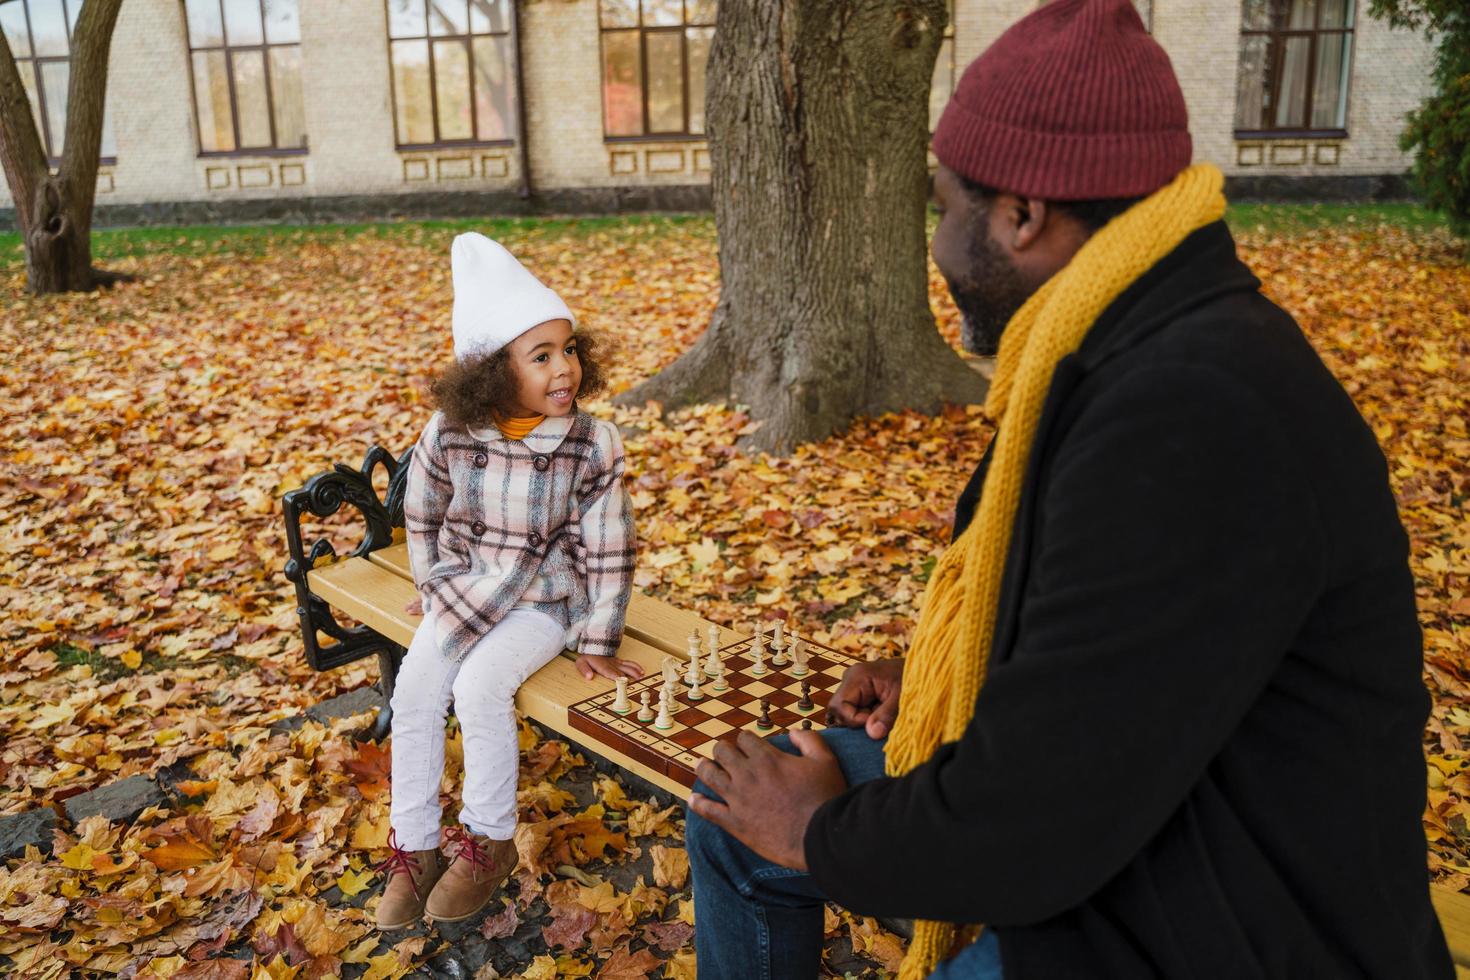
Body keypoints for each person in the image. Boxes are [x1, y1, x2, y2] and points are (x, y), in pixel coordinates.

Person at [684, 0, 1453, 977]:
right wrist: (939, 675)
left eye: (946, 207)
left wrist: (819, 830)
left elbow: (1031, 823)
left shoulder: (1195, 411)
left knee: (774, 824)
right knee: (724, 819)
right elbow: (1105, 662)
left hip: (1221, 916)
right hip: (1130, 820)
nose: (938, 243)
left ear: (1023, 216)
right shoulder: (1134, 341)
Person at [374, 233, 641, 930]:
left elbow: (610, 544)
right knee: (417, 687)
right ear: (493, 371)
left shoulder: (591, 442)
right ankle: (415, 845)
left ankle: (487, 839)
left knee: (479, 685)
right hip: (468, 584)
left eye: (570, 349)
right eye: (542, 356)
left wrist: (600, 639)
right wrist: (431, 582)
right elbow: (423, 508)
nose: (565, 370)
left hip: (546, 598)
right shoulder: (453, 431)